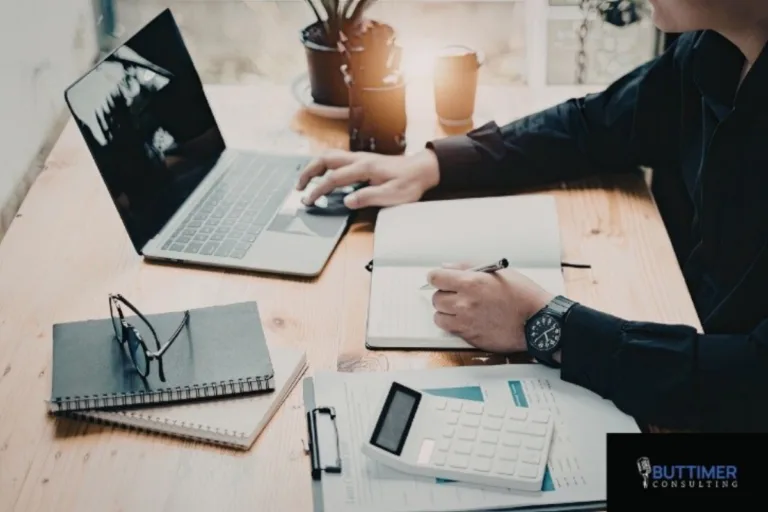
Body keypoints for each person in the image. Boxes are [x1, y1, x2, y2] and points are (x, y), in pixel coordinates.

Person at [296, 0, 768, 432]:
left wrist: (549, 325)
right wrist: (431, 166)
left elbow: (750, 380)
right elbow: (594, 126)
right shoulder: (714, 50)